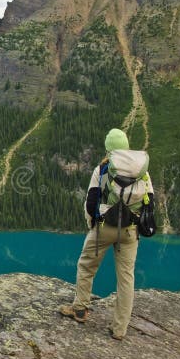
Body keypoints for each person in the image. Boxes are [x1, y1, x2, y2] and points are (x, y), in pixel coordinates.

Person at [59, 128, 154, 340]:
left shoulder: (102, 169)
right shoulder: (142, 171)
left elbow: (91, 201)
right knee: (126, 278)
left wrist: (91, 224)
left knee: (86, 266)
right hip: (130, 231)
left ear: (108, 148)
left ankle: (80, 309)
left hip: (103, 228)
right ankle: (120, 329)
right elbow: (150, 203)